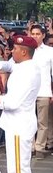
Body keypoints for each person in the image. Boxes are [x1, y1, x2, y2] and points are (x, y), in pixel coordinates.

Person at [0, 35, 40, 173]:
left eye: (16, 49)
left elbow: (14, 102)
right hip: (16, 124)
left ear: (25, 52)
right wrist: (2, 65)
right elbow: (12, 66)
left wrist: (0, 100)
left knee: (19, 168)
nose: (12, 51)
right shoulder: (23, 66)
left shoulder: (28, 72)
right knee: (15, 167)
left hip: (19, 124)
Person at [29, 24, 53, 160]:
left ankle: (40, 147)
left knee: (42, 122)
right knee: (30, 120)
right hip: (29, 91)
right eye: (33, 34)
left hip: (44, 90)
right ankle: (30, 146)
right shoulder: (27, 50)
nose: (35, 36)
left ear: (43, 35)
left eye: (38, 34)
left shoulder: (49, 51)